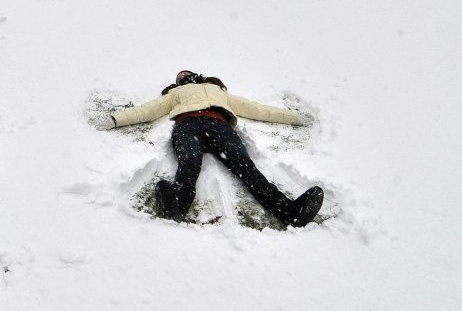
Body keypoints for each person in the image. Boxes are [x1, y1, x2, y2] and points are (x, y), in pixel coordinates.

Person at [106, 71, 324, 228]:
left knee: (246, 168)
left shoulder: (217, 91)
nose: (183, 78)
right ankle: (178, 206)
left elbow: (257, 109)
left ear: (198, 75)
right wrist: (116, 119)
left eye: (185, 75)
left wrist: (294, 118)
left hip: (219, 125)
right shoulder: (175, 94)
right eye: (179, 78)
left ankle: (290, 212)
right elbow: (149, 110)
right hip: (188, 125)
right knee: (189, 164)